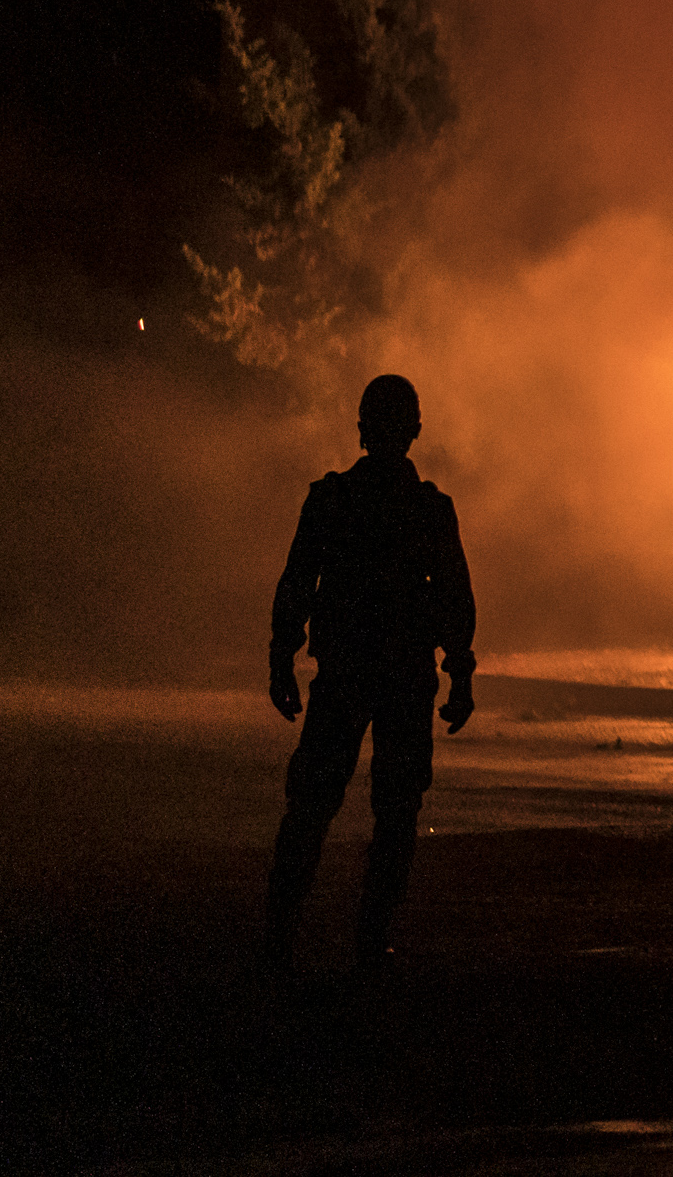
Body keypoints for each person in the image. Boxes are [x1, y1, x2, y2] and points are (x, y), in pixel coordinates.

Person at [265, 373, 477, 966]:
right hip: (402, 676)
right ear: (415, 430)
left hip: (351, 674)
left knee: (315, 804)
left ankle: (282, 932)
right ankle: (367, 935)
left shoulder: (333, 500)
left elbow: (297, 585)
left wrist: (282, 656)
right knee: (393, 810)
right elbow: (454, 598)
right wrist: (459, 674)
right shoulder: (427, 509)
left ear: (362, 428)